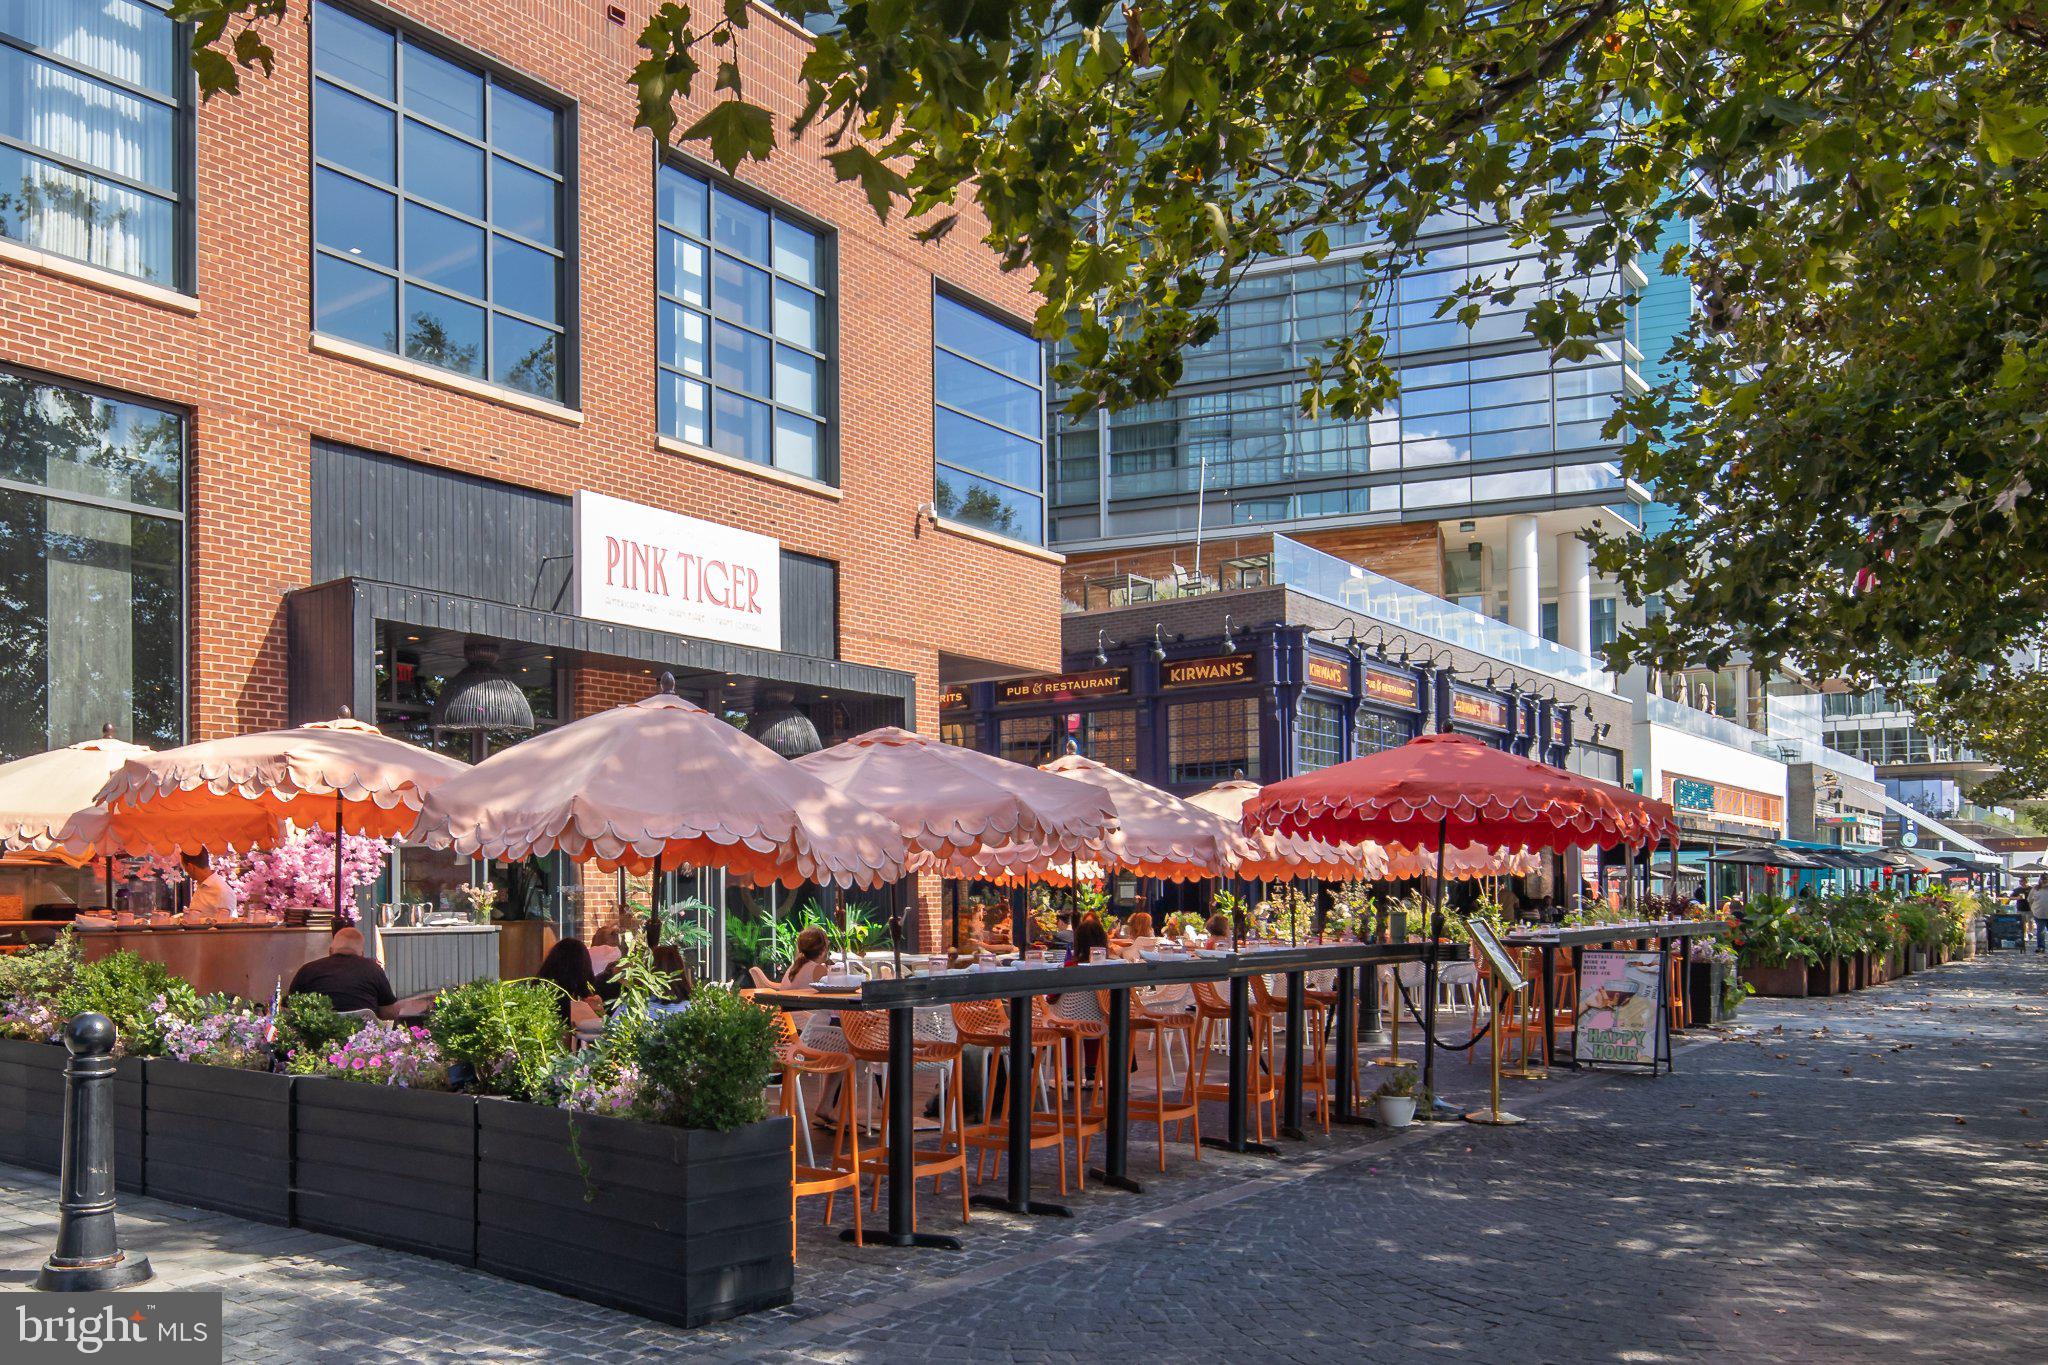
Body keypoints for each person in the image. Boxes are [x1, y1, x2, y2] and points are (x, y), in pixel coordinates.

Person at [286, 927, 399, 1018]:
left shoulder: (307, 970)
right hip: (362, 1038)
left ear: (330, 951)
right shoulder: (374, 969)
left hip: (318, 1036)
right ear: (362, 954)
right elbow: (388, 1012)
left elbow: (289, 1008)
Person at [537, 938, 605, 1024]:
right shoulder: (581, 1000)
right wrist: (600, 1012)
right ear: (584, 966)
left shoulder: (541, 988)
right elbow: (603, 1030)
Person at [751, 925, 832, 990]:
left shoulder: (794, 967)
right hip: (810, 1010)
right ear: (824, 950)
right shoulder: (819, 970)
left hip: (788, 1010)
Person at [181, 850, 237, 920]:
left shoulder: (222, 891)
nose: (186, 872)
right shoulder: (202, 886)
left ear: (190, 867)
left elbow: (226, 927)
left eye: (185, 868)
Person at [2030, 878, 2048, 955]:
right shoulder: (2035, 889)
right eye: (2043, 879)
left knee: (2041, 931)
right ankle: (2041, 947)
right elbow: (2030, 900)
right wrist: (2033, 910)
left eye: (2046, 879)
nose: (2044, 881)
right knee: (2040, 931)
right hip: (2039, 914)